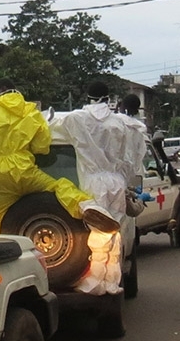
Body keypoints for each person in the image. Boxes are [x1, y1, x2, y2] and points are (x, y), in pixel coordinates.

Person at [0, 78, 117, 235]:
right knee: (58, 186)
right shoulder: (32, 111)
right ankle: (86, 206)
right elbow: (41, 147)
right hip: (25, 170)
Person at [52, 82, 146, 294]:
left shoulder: (76, 118)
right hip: (116, 181)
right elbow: (130, 155)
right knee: (114, 232)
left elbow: (50, 126)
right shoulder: (119, 123)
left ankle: (94, 281)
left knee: (98, 231)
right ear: (108, 97)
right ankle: (111, 282)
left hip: (93, 181)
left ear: (88, 97)